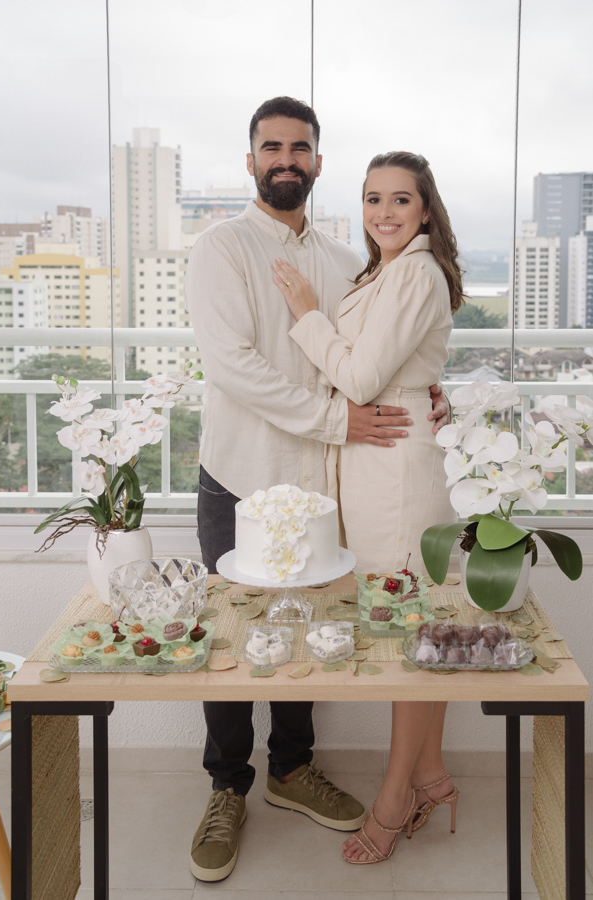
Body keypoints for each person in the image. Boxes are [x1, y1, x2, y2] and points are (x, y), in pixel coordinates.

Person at [185, 99, 450, 882]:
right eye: (271, 147)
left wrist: (428, 393)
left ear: (318, 162)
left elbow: (377, 349)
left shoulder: (346, 257)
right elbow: (232, 363)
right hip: (240, 476)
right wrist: (339, 419)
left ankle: (292, 770)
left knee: (304, 637)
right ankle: (226, 787)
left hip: (319, 486)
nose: (286, 159)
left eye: (300, 147)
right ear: (250, 161)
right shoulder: (220, 248)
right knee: (232, 645)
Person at [273, 151, 463, 864]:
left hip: (398, 470)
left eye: (399, 200)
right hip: (381, 456)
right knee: (420, 628)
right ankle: (429, 772)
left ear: (424, 210)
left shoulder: (413, 272)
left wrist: (304, 314)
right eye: (371, 198)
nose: (383, 212)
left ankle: (395, 798)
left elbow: (358, 374)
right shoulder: (385, 273)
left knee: (409, 637)